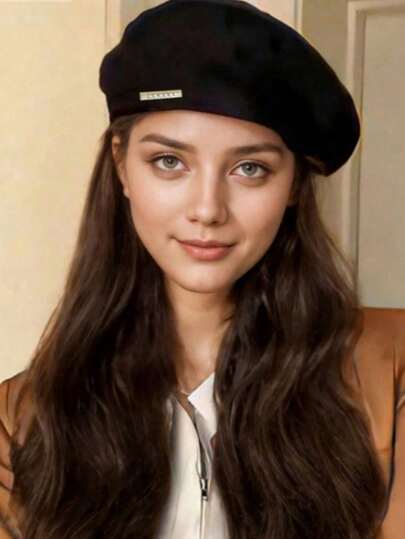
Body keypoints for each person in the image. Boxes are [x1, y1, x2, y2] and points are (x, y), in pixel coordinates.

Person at [0, 0, 404, 537]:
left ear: (293, 186)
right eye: (169, 162)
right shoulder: (18, 421)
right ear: (121, 165)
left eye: (250, 168)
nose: (208, 209)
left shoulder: (393, 370)